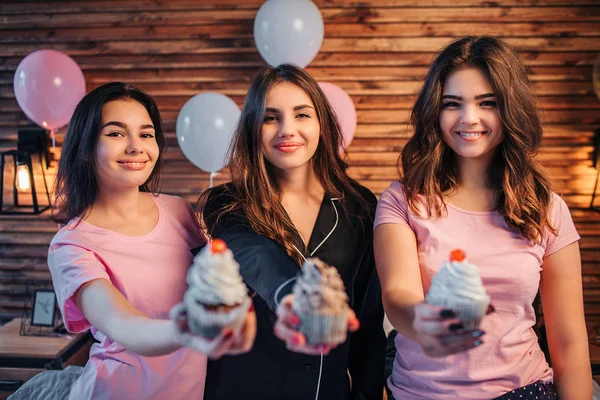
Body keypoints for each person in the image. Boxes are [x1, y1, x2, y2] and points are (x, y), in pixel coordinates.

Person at [374, 36, 591, 400]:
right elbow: (397, 295)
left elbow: (568, 339)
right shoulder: (401, 200)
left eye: (487, 103)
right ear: (435, 112)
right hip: (423, 393)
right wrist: (423, 321)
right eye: (452, 104)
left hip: (523, 390)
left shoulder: (547, 208)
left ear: (510, 109)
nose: (468, 118)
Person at [9, 82, 256, 400]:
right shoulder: (71, 245)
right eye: (115, 133)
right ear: (85, 148)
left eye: (146, 133)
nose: (136, 146)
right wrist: (192, 328)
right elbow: (124, 324)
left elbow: (212, 281)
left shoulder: (177, 209)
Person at [199, 64, 386, 400]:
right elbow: (254, 255)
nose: (287, 129)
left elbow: (369, 323)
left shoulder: (360, 205)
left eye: (302, 115)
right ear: (253, 128)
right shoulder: (227, 202)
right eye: (271, 117)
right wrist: (293, 296)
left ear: (322, 124)